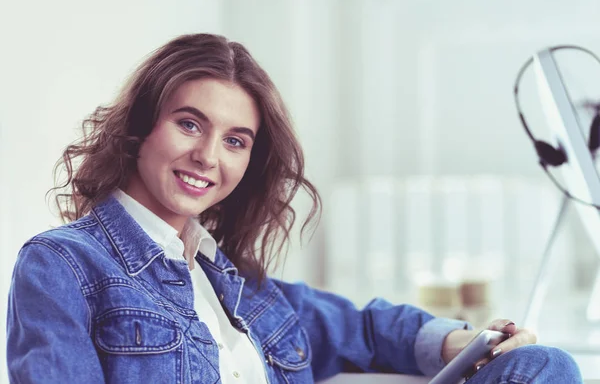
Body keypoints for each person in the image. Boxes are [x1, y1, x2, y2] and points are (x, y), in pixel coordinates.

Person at [6, 33, 582, 384]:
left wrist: (466, 342)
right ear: (142, 126)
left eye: (235, 140)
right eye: (189, 124)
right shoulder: (63, 267)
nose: (207, 156)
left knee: (547, 367)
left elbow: (361, 327)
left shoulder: (237, 286)